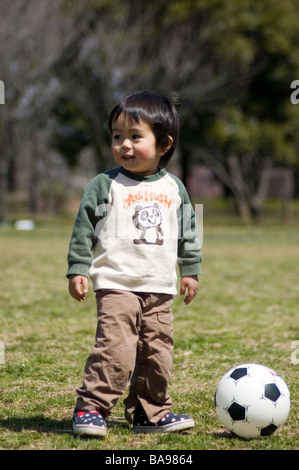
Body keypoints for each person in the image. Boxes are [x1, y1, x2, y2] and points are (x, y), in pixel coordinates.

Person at [67, 91, 202, 437]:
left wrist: (190, 271)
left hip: (159, 287)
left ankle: (149, 412)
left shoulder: (175, 188)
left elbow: (188, 232)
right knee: (117, 348)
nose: (123, 144)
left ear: (164, 144)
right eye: (117, 136)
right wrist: (79, 267)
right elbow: (84, 228)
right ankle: (92, 407)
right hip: (117, 284)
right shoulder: (105, 185)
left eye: (135, 136)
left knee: (156, 353)